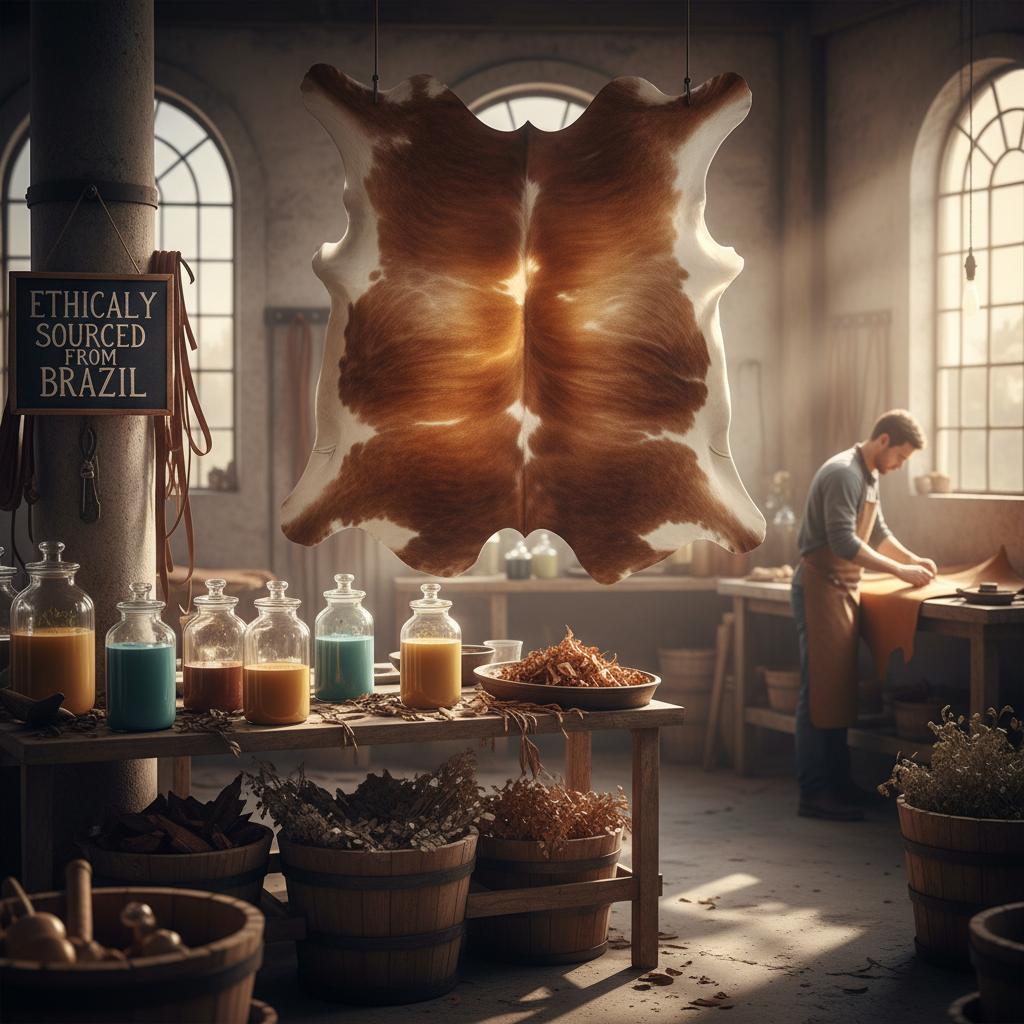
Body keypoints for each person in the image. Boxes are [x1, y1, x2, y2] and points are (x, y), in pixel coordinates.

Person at [791, 410, 936, 821]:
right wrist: (898, 571)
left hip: (843, 586)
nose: (900, 467)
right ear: (885, 440)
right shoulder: (843, 474)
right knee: (817, 692)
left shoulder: (869, 474)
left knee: (837, 689)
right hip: (819, 584)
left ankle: (840, 785)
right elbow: (842, 541)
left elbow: (879, 532)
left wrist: (913, 560)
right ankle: (814, 792)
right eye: (902, 458)